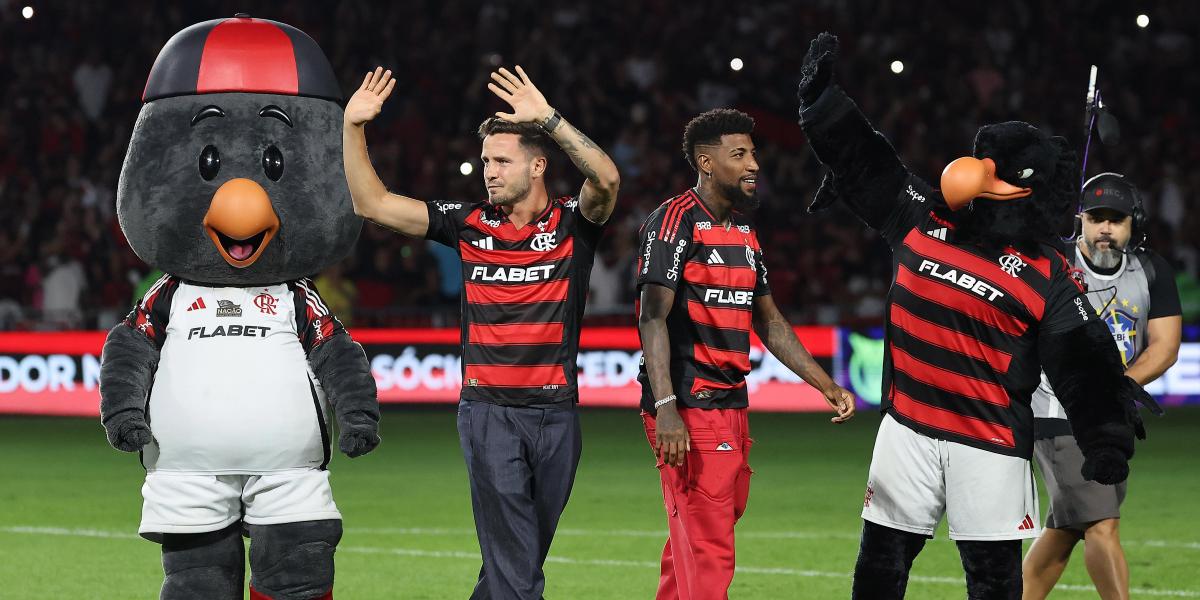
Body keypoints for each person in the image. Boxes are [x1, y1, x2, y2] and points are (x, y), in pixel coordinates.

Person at [794, 32, 1151, 599]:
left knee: (993, 581)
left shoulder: (1046, 273)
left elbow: (1082, 361)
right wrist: (823, 106)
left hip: (988, 443)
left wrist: (1105, 436)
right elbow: (869, 164)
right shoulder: (924, 220)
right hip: (906, 428)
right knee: (880, 567)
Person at [343, 66, 620, 599]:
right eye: (486, 161)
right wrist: (352, 128)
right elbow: (372, 204)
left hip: (558, 414)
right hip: (490, 414)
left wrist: (549, 119)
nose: (488, 172)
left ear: (538, 166)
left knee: (515, 558)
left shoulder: (573, 224)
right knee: (518, 570)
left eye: (501, 161)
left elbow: (606, 179)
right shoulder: (467, 223)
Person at [635, 108, 855, 600]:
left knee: (696, 535)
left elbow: (770, 321)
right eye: (740, 154)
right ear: (705, 162)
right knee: (710, 549)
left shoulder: (744, 234)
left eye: (754, 153)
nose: (754, 163)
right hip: (690, 409)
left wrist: (827, 385)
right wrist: (667, 407)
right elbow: (652, 318)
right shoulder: (673, 223)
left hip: (731, 406)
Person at [1024, 173, 1180, 600]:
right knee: (1101, 524)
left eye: (1116, 219)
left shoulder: (1150, 270)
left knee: (1067, 529)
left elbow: (1165, 346)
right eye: (1096, 218)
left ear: (1133, 224)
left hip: (1111, 419)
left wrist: (1118, 388)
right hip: (1058, 415)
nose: (1105, 229)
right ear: (1081, 221)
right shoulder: (1051, 263)